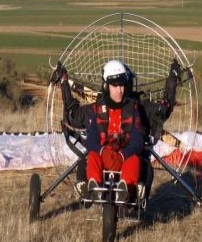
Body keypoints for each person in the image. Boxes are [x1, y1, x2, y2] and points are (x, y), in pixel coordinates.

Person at [53, 60, 144, 202]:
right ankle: (93, 186)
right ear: (106, 87)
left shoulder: (133, 109)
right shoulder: (96, 110)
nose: (119, 90)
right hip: (103, 155)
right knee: (92, 156)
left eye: (122, 86)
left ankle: (125, 188)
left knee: (135, 160)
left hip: (124, 156)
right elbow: (91, 138)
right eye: (115, 86)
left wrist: (123, 155)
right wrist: (102, 151)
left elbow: (138, 139)